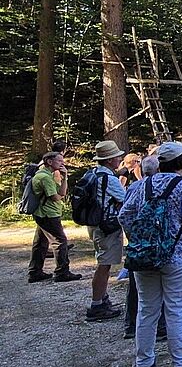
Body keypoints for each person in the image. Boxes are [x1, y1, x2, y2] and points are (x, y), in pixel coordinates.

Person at [118, 141, 182, 367]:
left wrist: (138, 239)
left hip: (145, 255)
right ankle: (181, 363)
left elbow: (124, 215)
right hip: (177, 254)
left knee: (146, 309)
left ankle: (144, 364)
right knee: (176, 308)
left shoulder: (143, 184)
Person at [122, 155, 166, 340]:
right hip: (157, 244)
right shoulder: (161, 187)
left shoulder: (134, 187)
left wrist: (133, 237)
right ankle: (161, 327)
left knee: (136, 285)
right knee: (161, 285)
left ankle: (131, 325)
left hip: (138, 244)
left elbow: (124, 215)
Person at [86, 140, 126, 321]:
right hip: (107, 226)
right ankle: (97, 305)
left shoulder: (94, 174)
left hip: (95, 223)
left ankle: (102, 298)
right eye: (117, 157)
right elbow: (125, 199)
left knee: (103, 261)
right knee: (104, 265)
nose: (119, 159)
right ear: (110, 160)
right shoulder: (109, 179)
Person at [27, 151, 82, 283]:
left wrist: (65, 177)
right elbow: (55, 197)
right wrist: (60, 195)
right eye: (59, 161)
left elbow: (62, 192)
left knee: (40, 242)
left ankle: (35, 272)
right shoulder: (44, 177)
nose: (63, 163)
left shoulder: (48, 175)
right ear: (49, 162)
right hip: (48, 214)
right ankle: (62, 272)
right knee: (60, 241)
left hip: (44, 213)